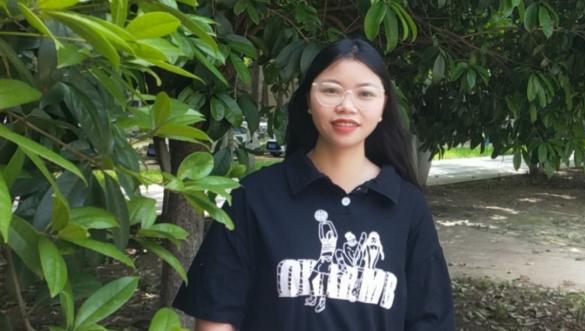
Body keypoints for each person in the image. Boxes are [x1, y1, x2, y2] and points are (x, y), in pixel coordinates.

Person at [173, 37, 455, 330]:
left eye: (365, 93)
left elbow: (430, 319)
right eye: (331, 90)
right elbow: (217, 317)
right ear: (308, 99)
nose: (347, 106)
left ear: (383, 105)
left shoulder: (407, 206)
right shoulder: (255, 197)